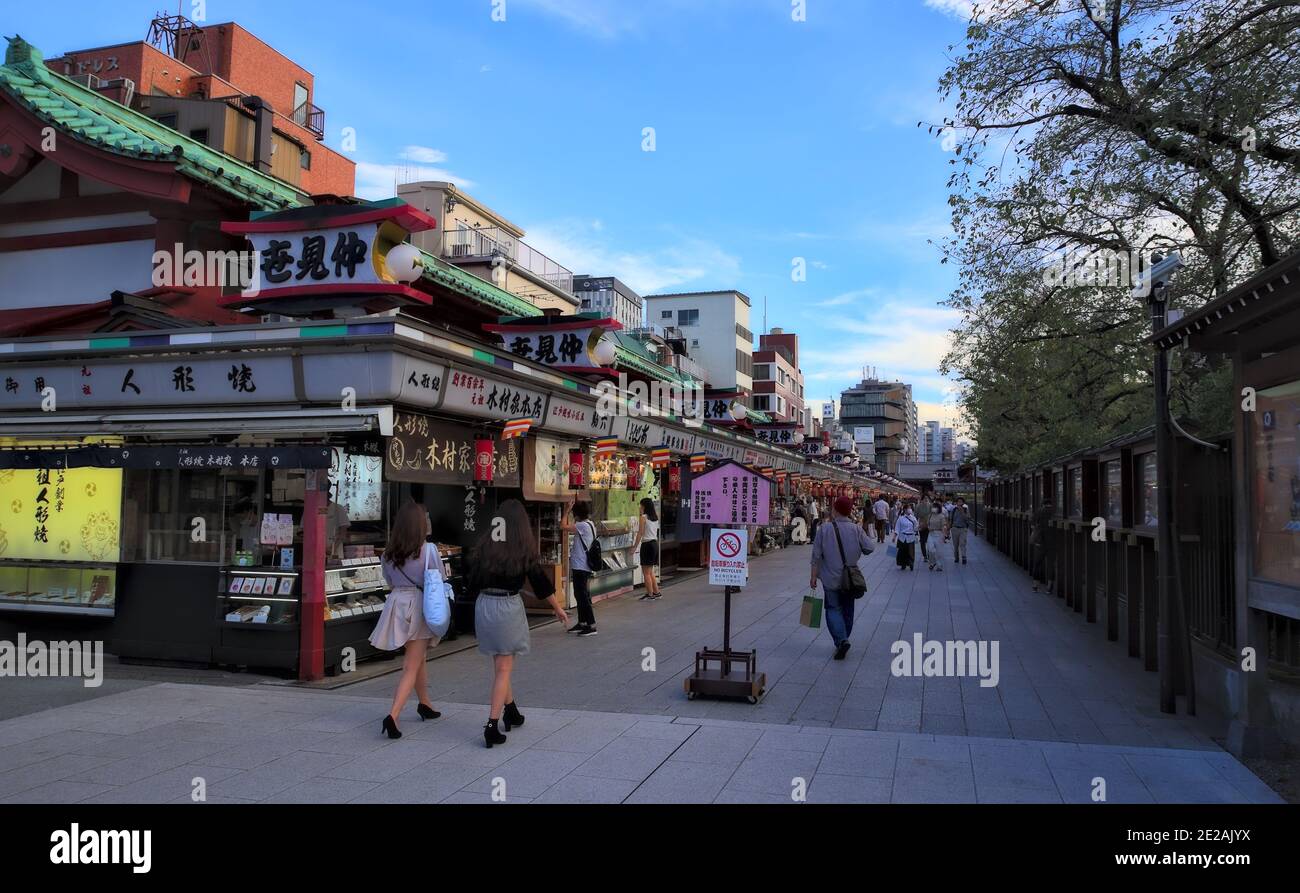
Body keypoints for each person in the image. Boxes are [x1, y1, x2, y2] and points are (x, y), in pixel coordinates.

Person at [467, 499, 569, 748]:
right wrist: (558, 609)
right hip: (506, 607)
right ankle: (492, 725)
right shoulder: (523, 548)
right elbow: (540, 583)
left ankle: (511, 710)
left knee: (501, 664)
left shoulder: (484, 546)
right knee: (504, 668)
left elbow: (472, 581)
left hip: (484, 605)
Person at [370, 502, 443, 740]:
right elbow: (438, 579)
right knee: (411, 665)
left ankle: (425, 704)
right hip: (419, 604)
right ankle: (393, 715)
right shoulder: (429, 550)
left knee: (418, 657)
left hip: (396, 603)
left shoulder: (388, 554)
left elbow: (389, 582)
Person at [810, 495, 876, 660]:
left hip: (830, 578)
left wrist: (813, 577)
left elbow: (816, 556)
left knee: (832, 609)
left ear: (835, 510)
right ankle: (843, 638)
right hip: (850, 579)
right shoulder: (856, 529)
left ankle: (841, 640)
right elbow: (870, 547)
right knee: (848, 609)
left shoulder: (824, 529)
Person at [563, 501, 599, 635]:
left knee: (582, 595)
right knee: (579, 594)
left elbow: (563, 526)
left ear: (576, 514)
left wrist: (566, 510)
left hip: (581, 565)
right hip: (583, 565)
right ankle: (582, 622)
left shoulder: (582, 525)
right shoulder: (590, 524)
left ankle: (591, 625)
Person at [633, 497, 662, 601]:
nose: (640, 507)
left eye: (640, 505)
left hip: (647, 545)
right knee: (650, 572)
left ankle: (650, 595)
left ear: (644, 506)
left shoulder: (643, 518)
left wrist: (634, 547)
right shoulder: (655, 517)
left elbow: (640, 533)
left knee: (646, 572)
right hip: (654, 544)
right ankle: (656, 592)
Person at [1030, 497, 1055, 593]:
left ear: (1043, 504)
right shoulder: (1055, 512)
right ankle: (1049, 587)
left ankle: (1035, 585)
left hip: (1039, 542)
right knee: (1051, 564)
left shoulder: (1039, 511)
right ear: (1051, 504)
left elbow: (1032, 525)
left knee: (1037, 564)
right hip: (1052, 542)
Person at [895, 503, 919, 571]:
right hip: (902, 537)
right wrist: (894, 536)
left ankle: (911, 563)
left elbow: (916, 527)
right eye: (908, 508)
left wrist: (918, 528)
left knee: (911, 551)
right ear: (905, 510)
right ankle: (903, 564)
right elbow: (897, 527)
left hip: (911, 537)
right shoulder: (901, 518)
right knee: (901, 551)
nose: (910, 510)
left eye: (910, 508)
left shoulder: (913, 518)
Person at [925, 500, 946, 572]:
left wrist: (944, 535)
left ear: (938, 508)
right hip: (931, 534)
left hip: (939, 533)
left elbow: (944, 526)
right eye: (933, 507)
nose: (933, 508)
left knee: (939, 551)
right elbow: (927, 524)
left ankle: (939, 565)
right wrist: (928, 527)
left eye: (935, 507)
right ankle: (933, 562)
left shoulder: (941, 516)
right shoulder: (930, 515)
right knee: (930, 549)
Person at [950, 497, 971, 565]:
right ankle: (956, 557)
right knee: (955, 545)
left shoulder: (966, 509)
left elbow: (967, 519)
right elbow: (951, 520)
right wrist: (948, 529)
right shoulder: (953, 510)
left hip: (963, 529)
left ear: (963, 503)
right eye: (958, 501)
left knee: (962, 543)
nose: (959, 503)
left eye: (961, 502)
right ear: (956, 503)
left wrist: (962, 512)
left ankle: (964, 557)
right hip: (955, 528)